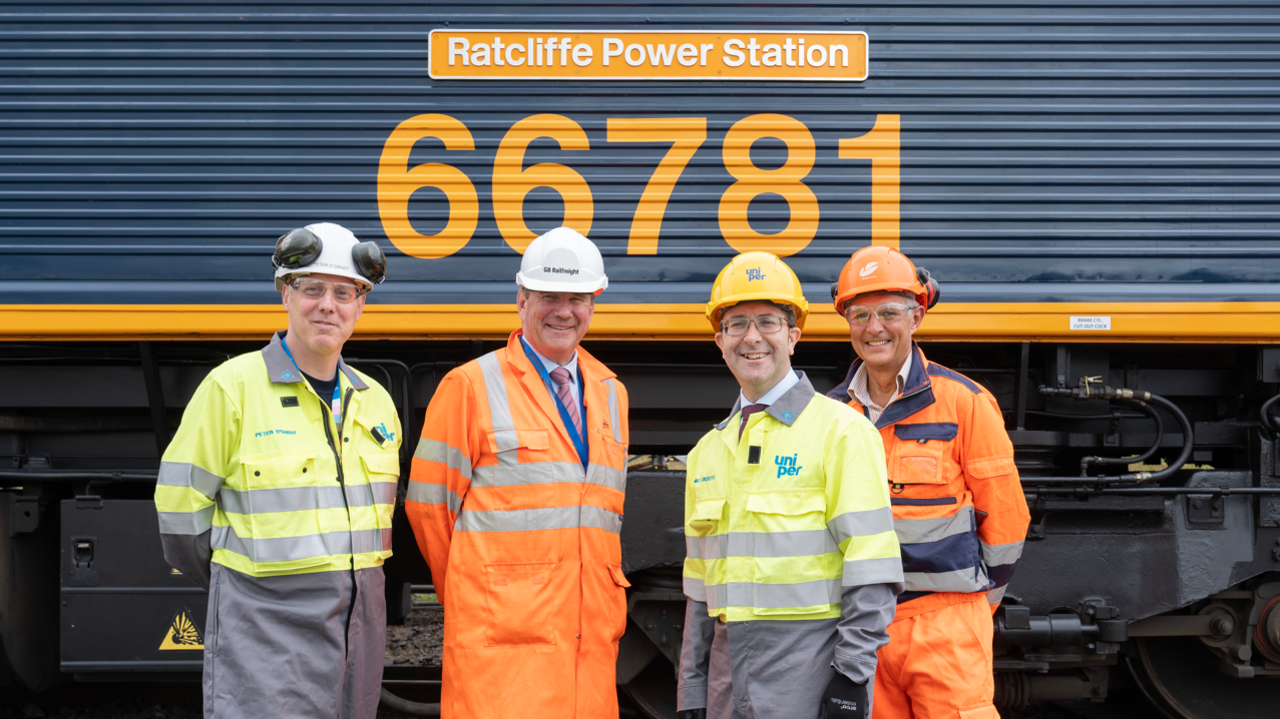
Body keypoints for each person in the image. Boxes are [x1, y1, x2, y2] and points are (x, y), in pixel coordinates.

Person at [153, 222, 401, 719]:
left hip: (360, 629)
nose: (328, 305)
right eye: (312, 288)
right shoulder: (231, 389)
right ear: (285, 295)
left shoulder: (377, 402)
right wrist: (245, 590)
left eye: (344, 292)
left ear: (360, 304)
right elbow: (181, 518)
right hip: (265, 630)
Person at [405, 226, 630, 719]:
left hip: (588, 639)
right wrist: (477, 590)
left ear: (594, 303)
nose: (564, 310)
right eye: (549, 296)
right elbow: (428, 507)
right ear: (521, 299)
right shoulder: (468, 385)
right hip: (503, 642)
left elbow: (598, 515)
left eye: (578, 297)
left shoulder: (611, 391)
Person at [677, 251, 903, 719]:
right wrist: (692, 690)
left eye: (768, 322)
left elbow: (873, 568)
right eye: (737, 324)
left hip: (808, 673)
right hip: (725, 676)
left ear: (793, 336)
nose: (752, 337)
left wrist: (852, 675)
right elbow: (699, 592)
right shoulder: (707, 452)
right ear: (720, 341)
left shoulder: (842, 432)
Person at [826, 246, 1030, 719]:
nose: (874, 327)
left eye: (889, 313)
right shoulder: (831, 414)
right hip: (861, 630)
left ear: (917, 315)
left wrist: (973, 605)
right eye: (860, 314)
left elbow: (1006, 519)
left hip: (947, 622)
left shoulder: (965, 403)